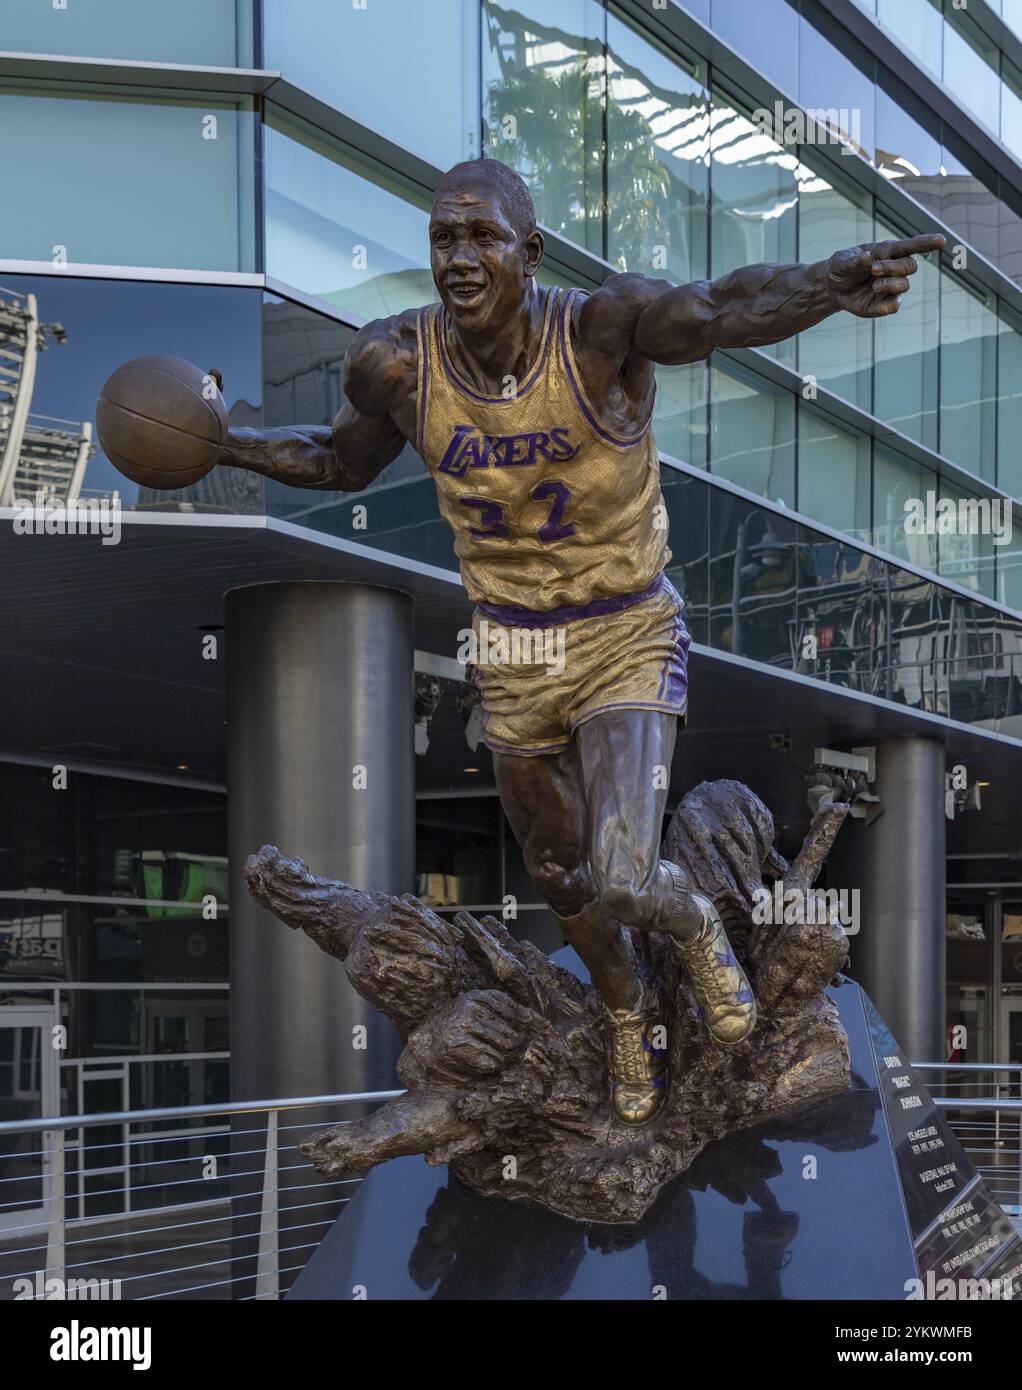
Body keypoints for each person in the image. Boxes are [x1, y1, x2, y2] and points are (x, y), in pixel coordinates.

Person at [211, 158, 943, 1125]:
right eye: (444, 239)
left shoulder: (600, 331)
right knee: (560, 872)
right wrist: (222, 444)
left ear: (531, 250)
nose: (460, 258)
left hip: (623, 626)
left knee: (627, 872)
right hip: (512, 648)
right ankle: (627, 1014)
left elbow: (722, 306)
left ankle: (700, 939)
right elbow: (336, 463)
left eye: (482, 237)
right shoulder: (393, 363)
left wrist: (826, 285)